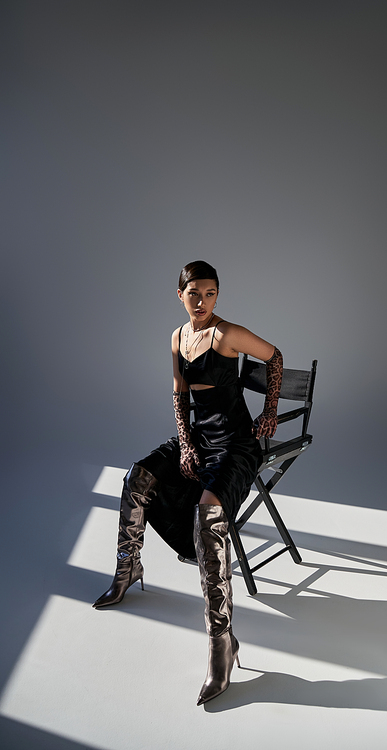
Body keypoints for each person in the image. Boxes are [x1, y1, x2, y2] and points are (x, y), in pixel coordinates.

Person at [93, 260, 283, 705]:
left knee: (208, 511)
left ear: (218, 296)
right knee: (136, 477)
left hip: (236, 442)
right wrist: (185, 443)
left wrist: (269, 411)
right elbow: (179, 394)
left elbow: (274, 357)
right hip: (200, 437)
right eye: (194, 293)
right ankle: (128, 569)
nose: (202, 301)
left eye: (210, 293)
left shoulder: (226, 333)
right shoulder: (178, 337)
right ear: (179, 294)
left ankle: (222, 643)